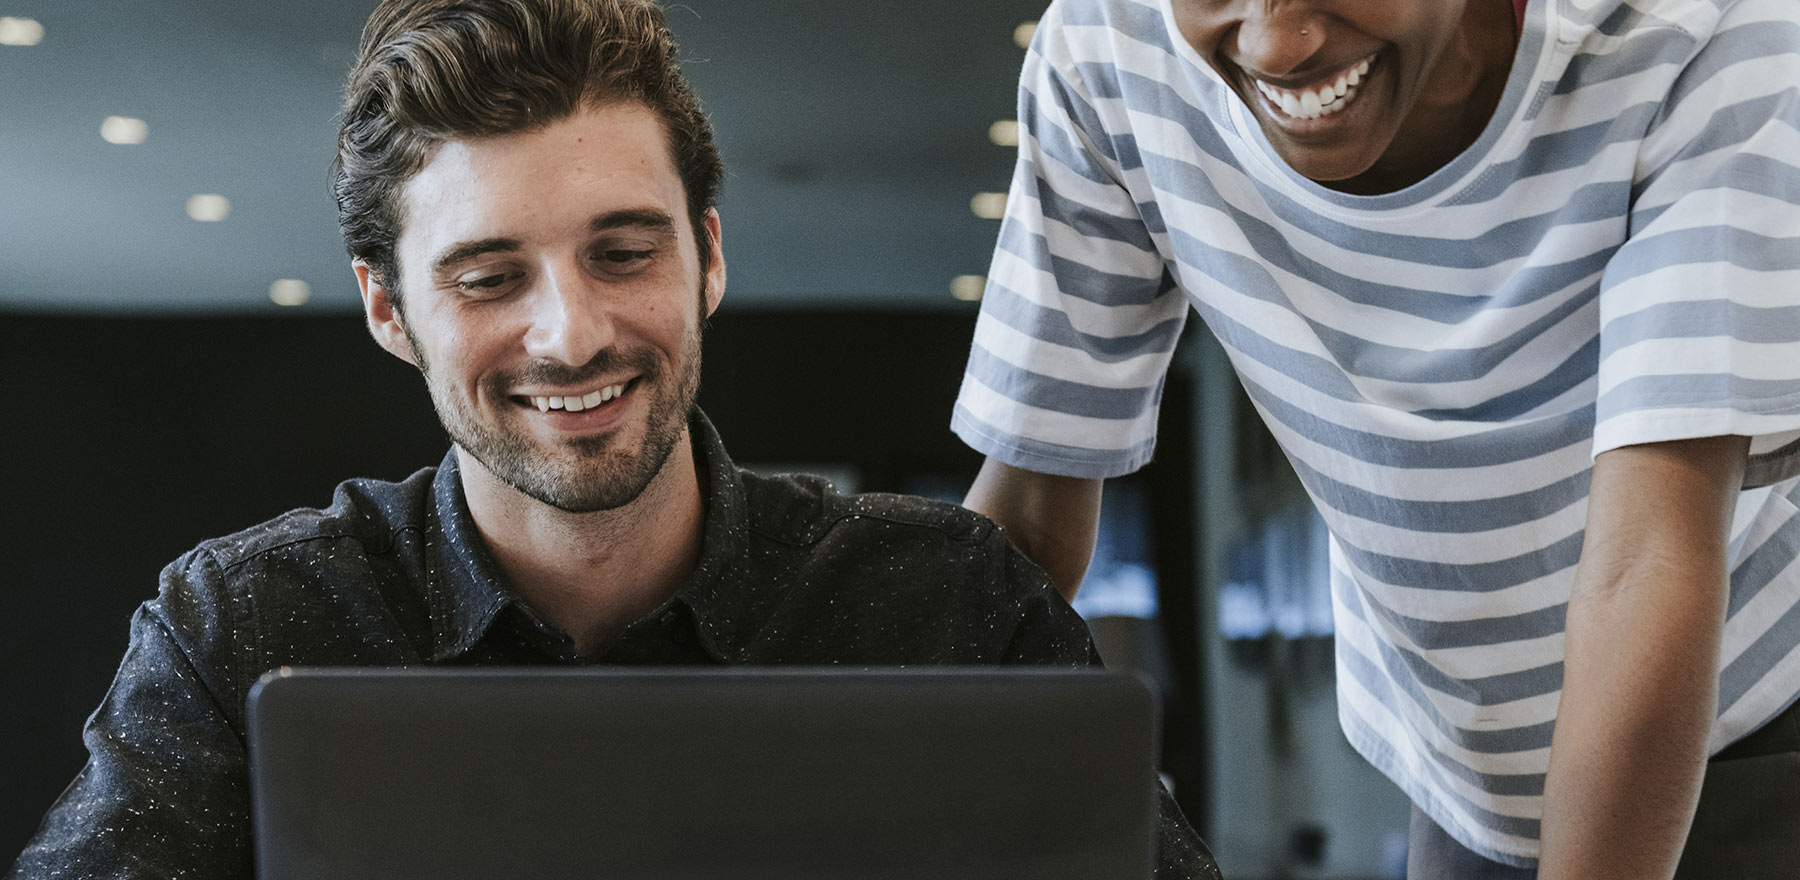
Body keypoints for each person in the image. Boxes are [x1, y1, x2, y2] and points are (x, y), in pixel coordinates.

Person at [7, 1, 1219, 878]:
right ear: (389, 308)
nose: (572, 333)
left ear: (709, 253)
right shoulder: (245, 623)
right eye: (488, 277)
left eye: (623, 253)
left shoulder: (952, 603)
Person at [953, 0, 1800, 878]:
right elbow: (1025, 522)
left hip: (1748, 732)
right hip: (1458, 784)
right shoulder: (1106, 50)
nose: (1275, 46)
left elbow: (1646, 561)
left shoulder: (1703, 34)